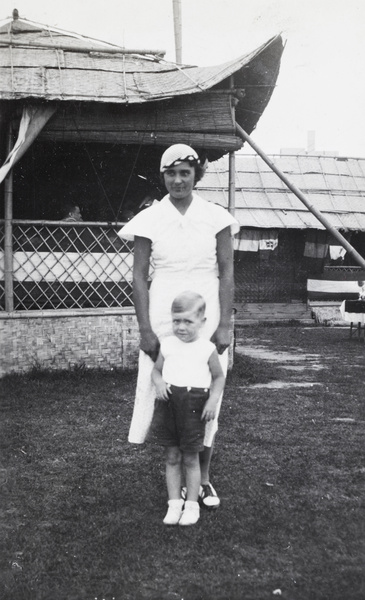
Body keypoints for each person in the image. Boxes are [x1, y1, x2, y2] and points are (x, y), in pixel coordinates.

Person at [118, 143, 239, 509]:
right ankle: (179, 475)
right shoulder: (149, 218)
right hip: (162, 315)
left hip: (206, 313)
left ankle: (202, 479)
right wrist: (145, 330)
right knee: (168, 395)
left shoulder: (216, 216)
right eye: (170, 173)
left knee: (203, 394)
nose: (178, 180)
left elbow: (228, 271)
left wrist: (225, 325)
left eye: (185, 173)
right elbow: (139, 277)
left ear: (196, 175)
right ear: (162, 177)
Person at [150, 291, 226, 525]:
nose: (181, 327)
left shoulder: (206, 349)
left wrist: (213, 400)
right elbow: (156, 370)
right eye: (176, 321)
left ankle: (192, 506)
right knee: (172, 456)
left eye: (187, 321)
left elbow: (219, 377)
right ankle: (174, 504)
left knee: (191, 457)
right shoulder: (168, 345)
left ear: (202, 323)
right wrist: (159, 382)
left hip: (194, 405)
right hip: (169, 403)